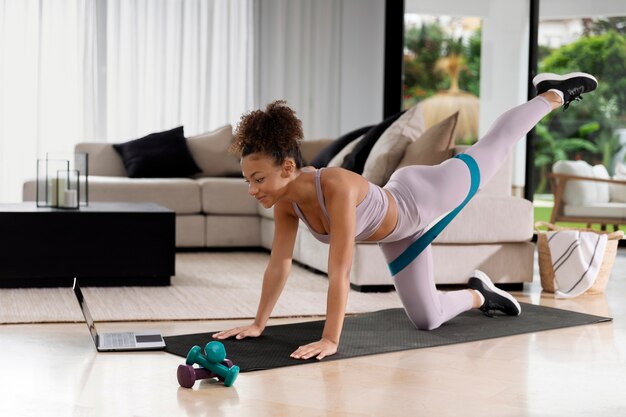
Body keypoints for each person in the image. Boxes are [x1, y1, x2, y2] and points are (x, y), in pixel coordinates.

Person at [213, 72, 598, 360]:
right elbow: (278, 265)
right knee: (427, 319)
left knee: (493, 148)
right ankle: (481, 295)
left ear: (286, 167)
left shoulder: (336, 187)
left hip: (421, 196)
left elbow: (340, 272)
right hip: (399, 234)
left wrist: (331, 339)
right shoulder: (285, 204)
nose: (253, 190)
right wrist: (258, 323)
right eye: (248, 180)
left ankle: (552, 93)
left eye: (258, 178)